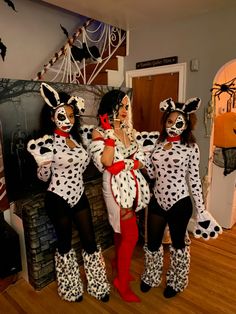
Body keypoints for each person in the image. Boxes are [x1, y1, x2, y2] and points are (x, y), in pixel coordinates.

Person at [27, 82, 110, 302]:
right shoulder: (48, 142)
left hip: (79, 195)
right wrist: (43, 164)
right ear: (52, 117)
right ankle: (70, 288)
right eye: (61, 116)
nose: (67, 120)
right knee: (64, 244)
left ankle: (98, 285)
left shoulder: (75, 138)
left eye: (71, 116)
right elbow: (44, 178)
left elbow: (83, 166)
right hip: (57, 198)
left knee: (89, 240)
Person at [140, 97, 222, 298]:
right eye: (170, 121)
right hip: (157, 200)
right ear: (165, 121)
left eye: (179, 123)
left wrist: (201, 211)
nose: (173, 126)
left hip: (180, 202)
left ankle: (177, 281)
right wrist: (142, 161)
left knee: (178, 245)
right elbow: (152, 174)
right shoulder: (157, 144)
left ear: (185, 125)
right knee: (153, 243)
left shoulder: (191, 148)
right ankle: (151, 276)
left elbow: (194, 180)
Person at [90, 89, 150, 302]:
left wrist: (127, 164)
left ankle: (117, 265)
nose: (125, 110)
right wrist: (109, 135)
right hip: (114, 187)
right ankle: (121, 282)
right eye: (121, 105)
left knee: (120, 232)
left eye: (127, 106)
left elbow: (142, 159)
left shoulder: (128, 130)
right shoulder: (98, 132)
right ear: (110, 106)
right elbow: (106, 163)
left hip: (133, 184)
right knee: (131, 235)